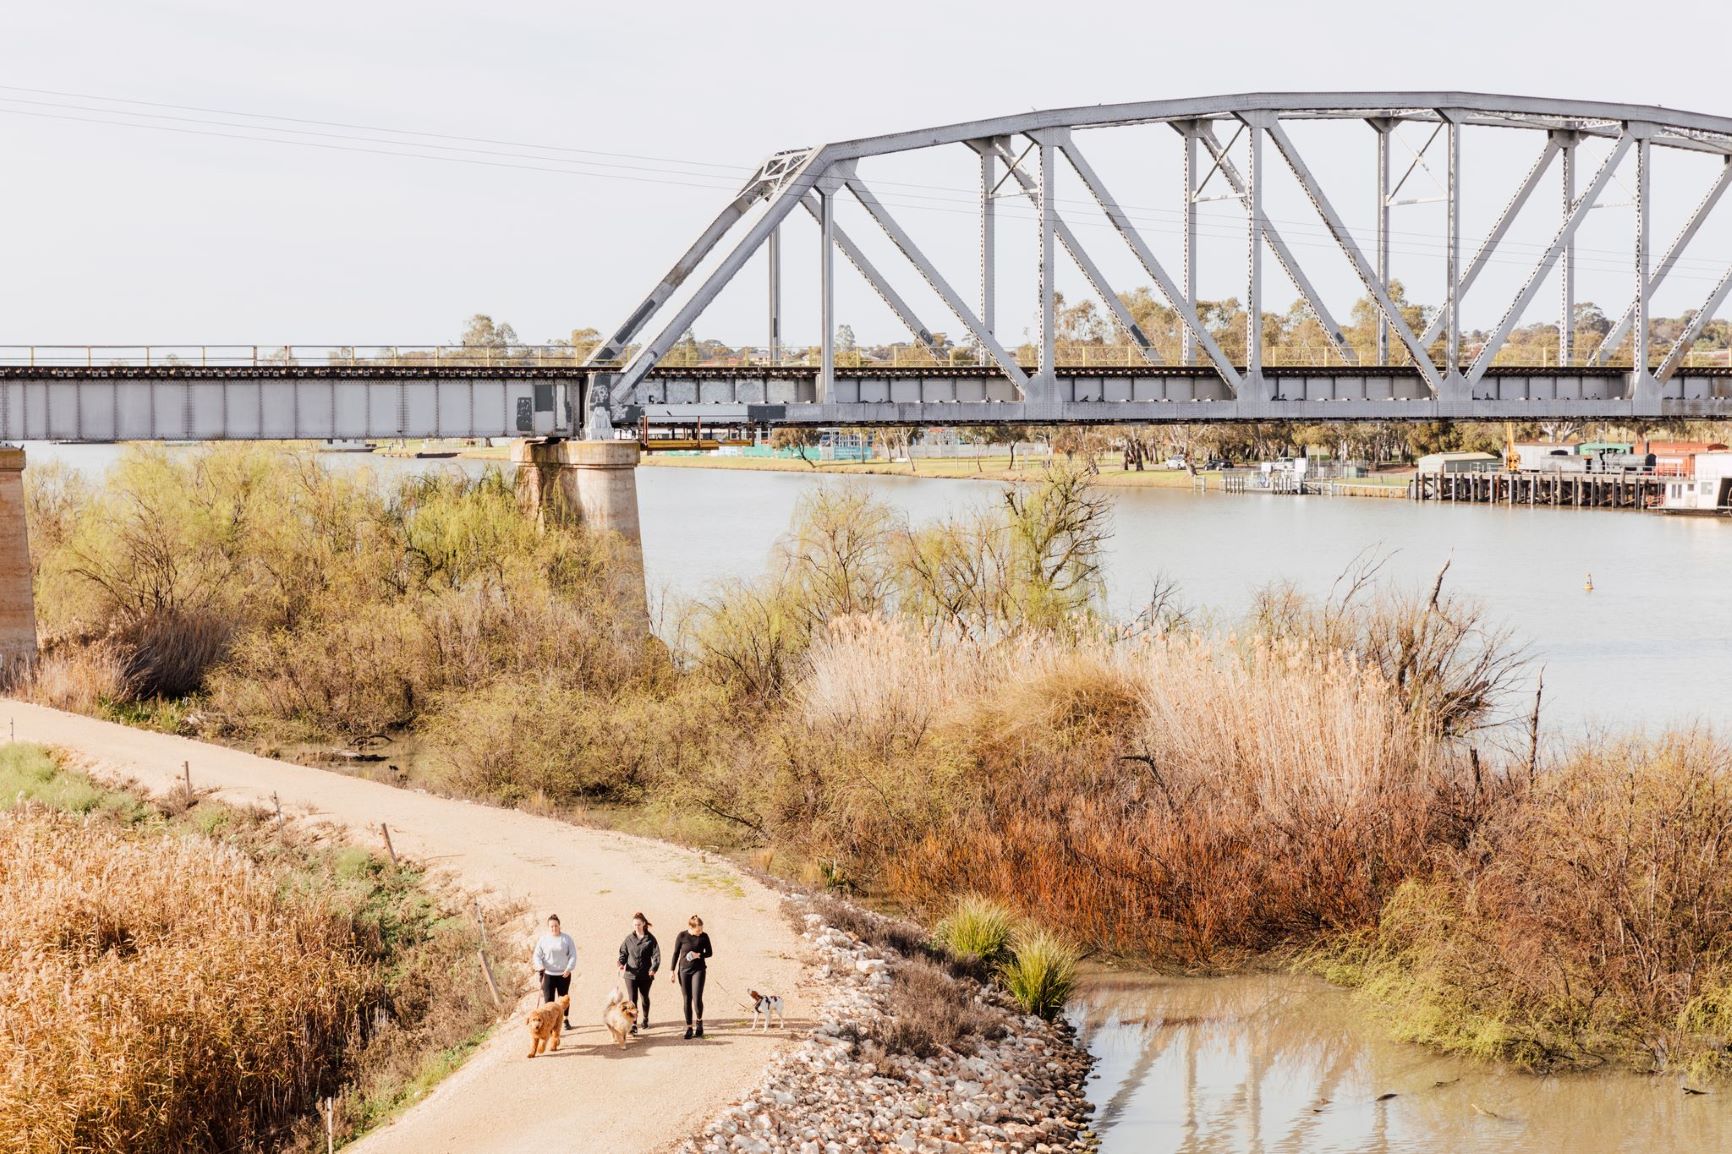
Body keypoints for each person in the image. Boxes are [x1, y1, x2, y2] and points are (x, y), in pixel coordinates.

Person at [669, 914, 713, 1039]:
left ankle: (699, 1022)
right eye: (697, 930)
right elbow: (675, 953)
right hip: (683, 971)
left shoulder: (704, 937)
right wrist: (671, 970)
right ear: (690, 927)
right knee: (687, 999)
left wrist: (698, 955)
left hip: (698, 970)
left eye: (701, 929)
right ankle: (689, 1027)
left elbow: (709, 953)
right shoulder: (682, 936)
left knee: (697, 998)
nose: (700, 932)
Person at [617, 912, 660, 1033]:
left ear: (644, 924)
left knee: (644, 997)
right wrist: (620, 963)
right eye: (634, 925)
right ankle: (634, 1024)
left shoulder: (651, 939)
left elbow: (656, 956)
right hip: (630, 974)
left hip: (646, 974)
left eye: (639, 924)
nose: (636, 927)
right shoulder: (629, 939)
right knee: (632, 999)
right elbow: (623, 954)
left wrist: (653, 968)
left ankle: (645, 1019)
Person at [532, 914, 577, 1029]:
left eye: (556, 926)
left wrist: (569, 968)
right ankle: (549, 1023)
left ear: (559, 925)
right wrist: (540, 966)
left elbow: (573, 955)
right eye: (551, 926)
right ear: (548, 927)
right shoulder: (543, 939)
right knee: (548, 1001)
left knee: (563, 999)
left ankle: (565, 1020)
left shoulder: (566, 939)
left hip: (563, 974)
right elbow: (537, 955)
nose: (554, 928)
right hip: (548, 974)